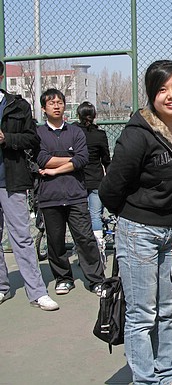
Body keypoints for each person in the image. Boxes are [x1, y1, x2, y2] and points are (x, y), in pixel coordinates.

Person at [99, 59, 172, 385]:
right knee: (142, 315)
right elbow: (109, 190)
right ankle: (145, 380)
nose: (171, 95)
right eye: (162, 89)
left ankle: (166, 376)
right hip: (138, 233)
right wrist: (136, 217)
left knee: (165, 311)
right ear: (152, 94)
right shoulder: (138, 134)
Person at [0, 60, 59, 311]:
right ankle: (2, 287)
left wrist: (6, 138)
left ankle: (37, 292)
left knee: (22, 237)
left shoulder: (18, 105)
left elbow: (31, 138)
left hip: (11, 181)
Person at [36, 88, 105, 297]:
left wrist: (55, 168)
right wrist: (70, 158)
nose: (56, 106)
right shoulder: (38, 133)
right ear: (44, 108)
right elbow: (42, 159)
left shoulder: (76, 132)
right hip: (50, 196)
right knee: (55, 242)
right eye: (51, 103)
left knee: (85, 239)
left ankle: (96, 280)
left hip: (76, 195)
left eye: (59, 102)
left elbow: (83, 159)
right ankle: (63, 279)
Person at [73, 101, 110, 266]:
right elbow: (106, 159)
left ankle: (82, 249)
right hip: (96, 179)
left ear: (78, 115)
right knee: (95, 215)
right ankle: (99, 249)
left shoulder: (73, 132)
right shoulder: (99, 135)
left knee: (80, 217)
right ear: (94, 116)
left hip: (77, 179)